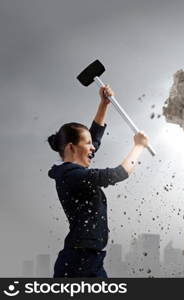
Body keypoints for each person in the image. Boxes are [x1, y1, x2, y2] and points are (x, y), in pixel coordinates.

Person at [47, 86, 149, 278]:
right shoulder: (71, 175)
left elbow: (93, 140)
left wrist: (104, 104)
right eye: (87, 144)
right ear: (71, 147)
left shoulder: (71, 170)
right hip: (79, 263)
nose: (93, 147)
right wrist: (138, 147)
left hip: (88, 258)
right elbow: (117, 174)